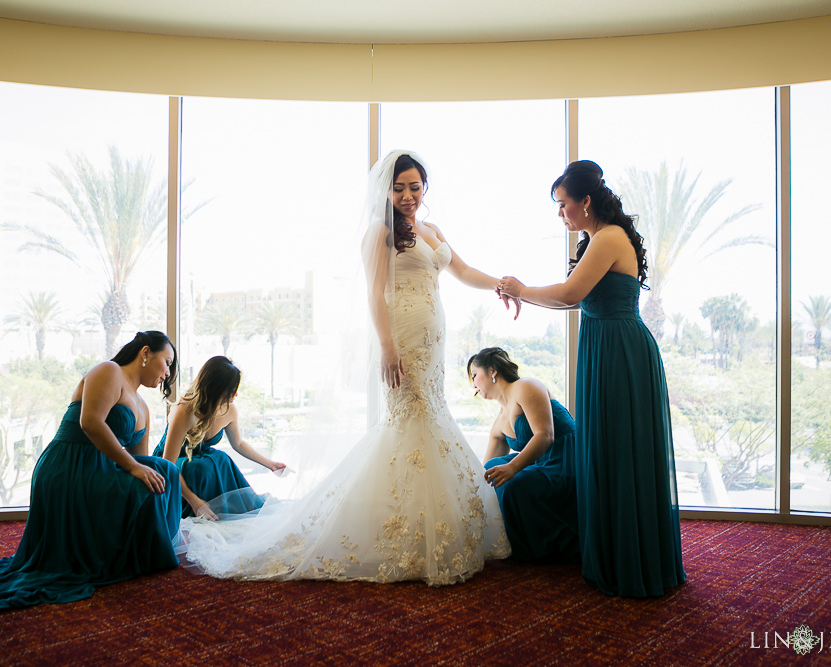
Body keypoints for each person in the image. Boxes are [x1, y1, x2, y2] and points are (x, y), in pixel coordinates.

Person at [176, 150, 513, 585]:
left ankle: (424, 527)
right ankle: (399, 534)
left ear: (425, 187)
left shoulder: (431, 230)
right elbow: (375, 293)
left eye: (415, 186)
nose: (409, 195)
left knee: (430, 419)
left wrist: (501, 285)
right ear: (386, 191)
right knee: (408, 423)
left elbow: (463, 270)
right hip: (403, 340)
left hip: (433, 346)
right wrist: (388, 346)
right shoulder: (379, 232)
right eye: (400, 188)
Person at [496, 160, 686, 597]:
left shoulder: (609, 237)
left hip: (621, 352)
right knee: (607, 450)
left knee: (622, 450)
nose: (559, 213)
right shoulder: (594, 241)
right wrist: (522, 294)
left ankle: (633, 560)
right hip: (603, 347)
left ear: (585, 200)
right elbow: (571, 302)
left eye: (563, 204)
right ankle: (619, 554)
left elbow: (569, 294)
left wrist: (521, 289)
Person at [0, 331, 182, 610]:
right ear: (146, 353)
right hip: (70, 464)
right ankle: (133, 556)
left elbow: (141, 460)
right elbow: (90, 423)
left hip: (104, 466)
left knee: (165, 471)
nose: (168, 373)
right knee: (143, 479)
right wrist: (134, 468)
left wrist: (142, 469)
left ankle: (149, 552)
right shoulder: (109, 371)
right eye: (167, 362)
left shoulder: (143, 407)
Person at [469, 347, 579, 563]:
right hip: (541, 461)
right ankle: (511, 540)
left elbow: (545, 435)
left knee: (511, 482)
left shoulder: (526, 387)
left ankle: (536, 549)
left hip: (566, 458)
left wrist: (512, 468)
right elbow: (486, 469)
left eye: (474, 375)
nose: (472, 384)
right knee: (494, 467)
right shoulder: (500, 419)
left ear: (492, 370)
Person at [154, 356, 285, 520]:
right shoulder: (184, 411)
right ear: (215, 389)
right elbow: (168, 464)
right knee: (201, 468)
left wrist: (270, 464)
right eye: (230, 390)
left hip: (201, 463)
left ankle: (226, 512)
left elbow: (238, 443)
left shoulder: (229, 409)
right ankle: (196, 512)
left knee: (221, 459)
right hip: (171, 462)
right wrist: (196, 502)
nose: (235, 394)